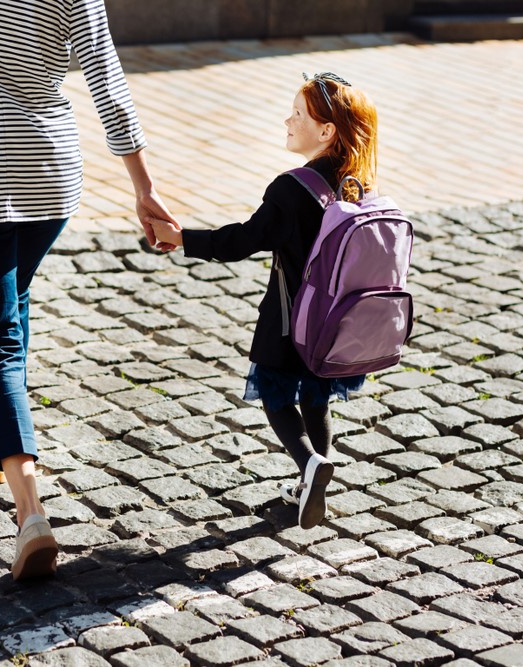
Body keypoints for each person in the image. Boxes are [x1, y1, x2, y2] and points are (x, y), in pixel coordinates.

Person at [0, 0, 177, 579]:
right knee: (11, 310)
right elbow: (104, 76)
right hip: (50, 173)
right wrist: (144, 188)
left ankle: (30, 514)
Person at [148, 72, 376, 530]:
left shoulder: (291, 189)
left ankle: (310, 464)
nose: (287, 120)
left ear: (326, 131)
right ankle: (315, 480)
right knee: (316, 399)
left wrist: (182, 238)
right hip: (335, 324)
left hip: (290, 320)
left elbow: (241, 241)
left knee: (276, 396)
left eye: (297, 114)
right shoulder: (355, 183)